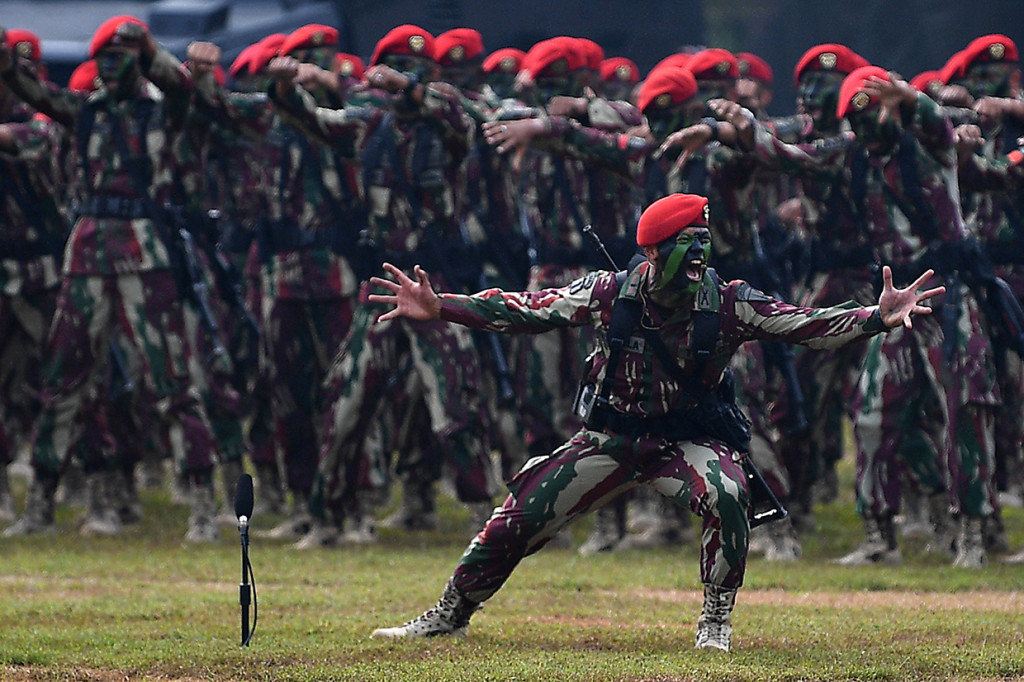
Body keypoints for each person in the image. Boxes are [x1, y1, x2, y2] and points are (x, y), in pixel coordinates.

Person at [365, 192, 943, 651]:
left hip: (684, 442)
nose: (697, 256)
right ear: (650, 253)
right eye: (685, 244)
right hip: (610, 439)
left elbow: (805, 325)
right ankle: (450, 612)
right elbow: (525, 309)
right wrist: (441, 307)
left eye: (703, 242)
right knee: (521, 513)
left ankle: (716, 617)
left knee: (727, 492)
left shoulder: (729, 300)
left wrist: (876, 317)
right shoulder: (607, 293)